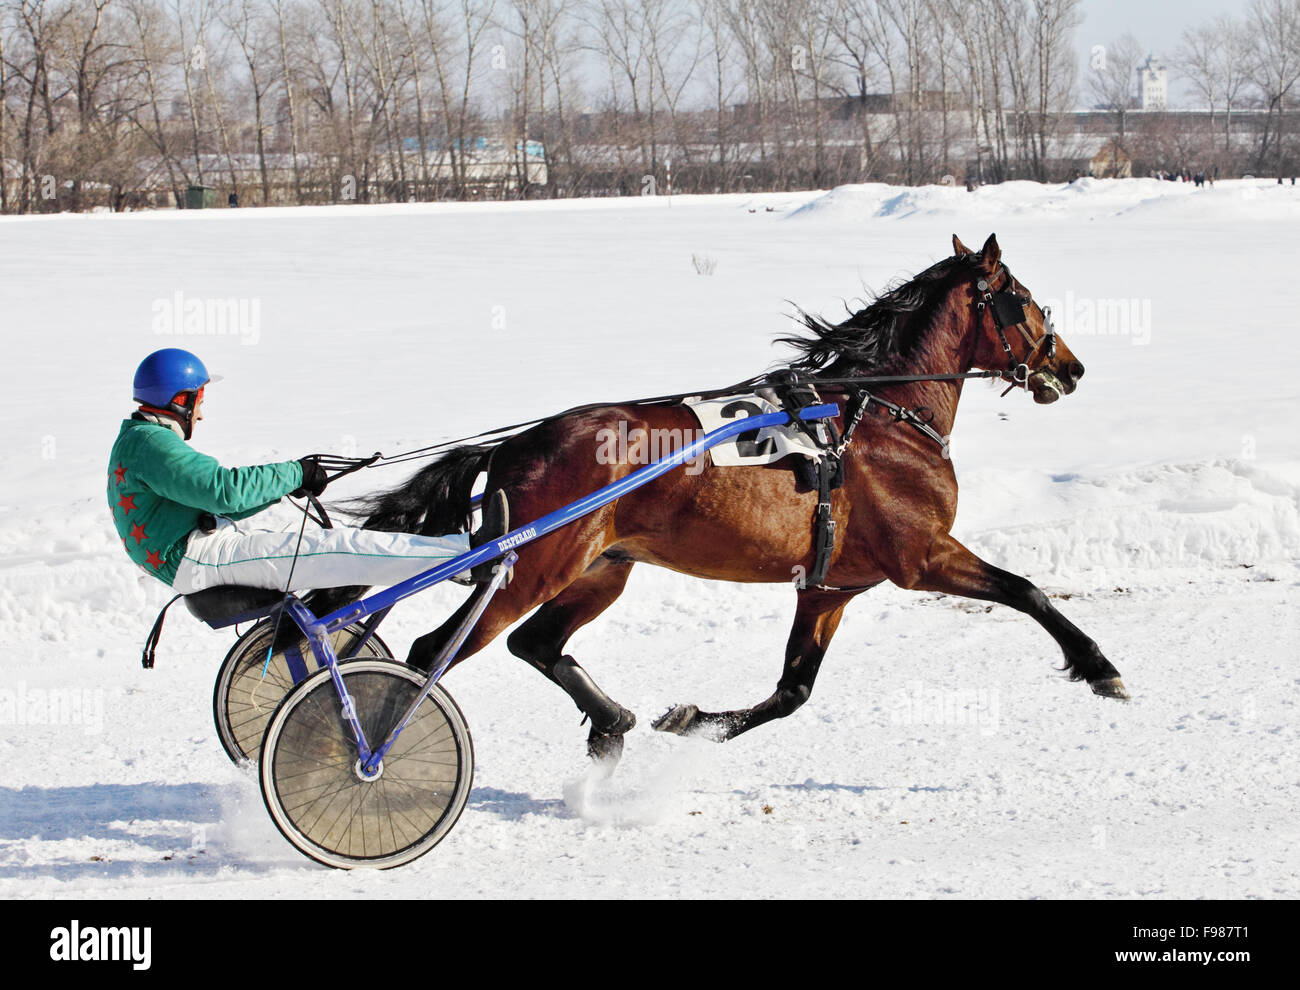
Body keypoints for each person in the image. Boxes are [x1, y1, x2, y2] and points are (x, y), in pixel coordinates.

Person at [108, 348, 509, 597]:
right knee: (342, 548)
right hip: (198, 558)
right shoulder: (150, 444)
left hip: (195, 555)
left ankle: (459, 555)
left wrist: (286, 486)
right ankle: (470, 558)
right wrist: (294, 473)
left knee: (339, 547)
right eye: (198, 400)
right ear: (180, 399)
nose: (201, 411)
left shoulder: (141, 442)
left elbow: (219, 501)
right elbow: (223, 491)